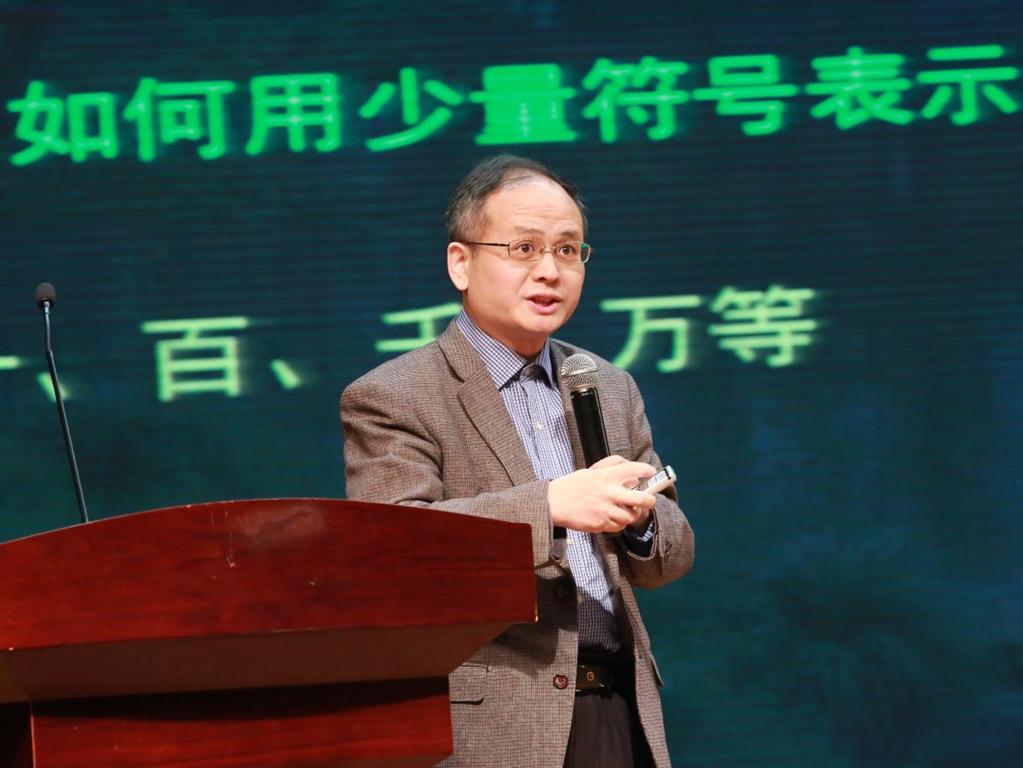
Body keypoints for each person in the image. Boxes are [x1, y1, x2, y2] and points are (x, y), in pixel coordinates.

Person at [341, 155, 694, 768]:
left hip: (619, 704)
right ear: (461, 263)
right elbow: (392, 549)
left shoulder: (606, 384)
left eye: (568, 250)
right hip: (496, 722)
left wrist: (639, 520)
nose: (549, 271)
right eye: (523, 248)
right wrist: (549, 506)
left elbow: (671, 557)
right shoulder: (395, 395)